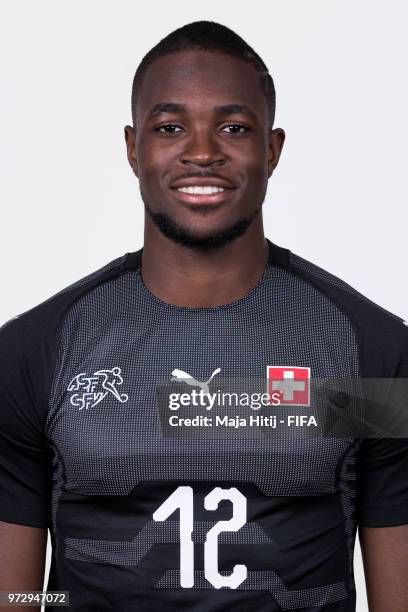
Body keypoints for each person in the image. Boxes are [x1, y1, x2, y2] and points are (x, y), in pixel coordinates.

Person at [0, 20, 407, 612]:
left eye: (234, 128)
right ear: (133, 147)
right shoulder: (33, 353)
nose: (202, 152)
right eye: (170, 128)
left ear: (272, 149)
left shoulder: (373, 354)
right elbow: (14, 596)